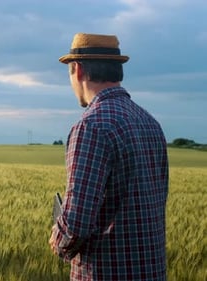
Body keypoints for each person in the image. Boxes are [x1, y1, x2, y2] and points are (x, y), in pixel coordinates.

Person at [49, 33, 169, 280]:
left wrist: (58, 239)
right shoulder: (150, 123)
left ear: (78, 70)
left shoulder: (91, 126)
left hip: (106, 271)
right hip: (151, 270)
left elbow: (76, 222)